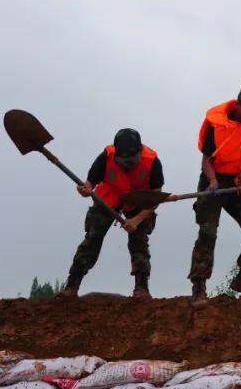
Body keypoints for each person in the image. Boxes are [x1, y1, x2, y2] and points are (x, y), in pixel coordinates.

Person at [189, 82, 241, 306]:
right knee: (208, 231)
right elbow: (206, 159)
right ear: (239, 105)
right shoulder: (217, 125)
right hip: (213, 179)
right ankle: (199, 287)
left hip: (237, 181)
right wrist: (213, 181)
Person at [58, 128, 163, 299]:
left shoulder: (152, 162)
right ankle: (72, 285)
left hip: (140, 200)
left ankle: (141, 288)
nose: (126, 163)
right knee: (92, 237)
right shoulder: (106, 157)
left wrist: (136, 220)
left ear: (140, 151)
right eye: (122, 160)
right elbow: (89, 184)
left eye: (131, 160)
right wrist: (85, 191)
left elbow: (155, 198)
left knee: (139, 241)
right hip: (109, 197)